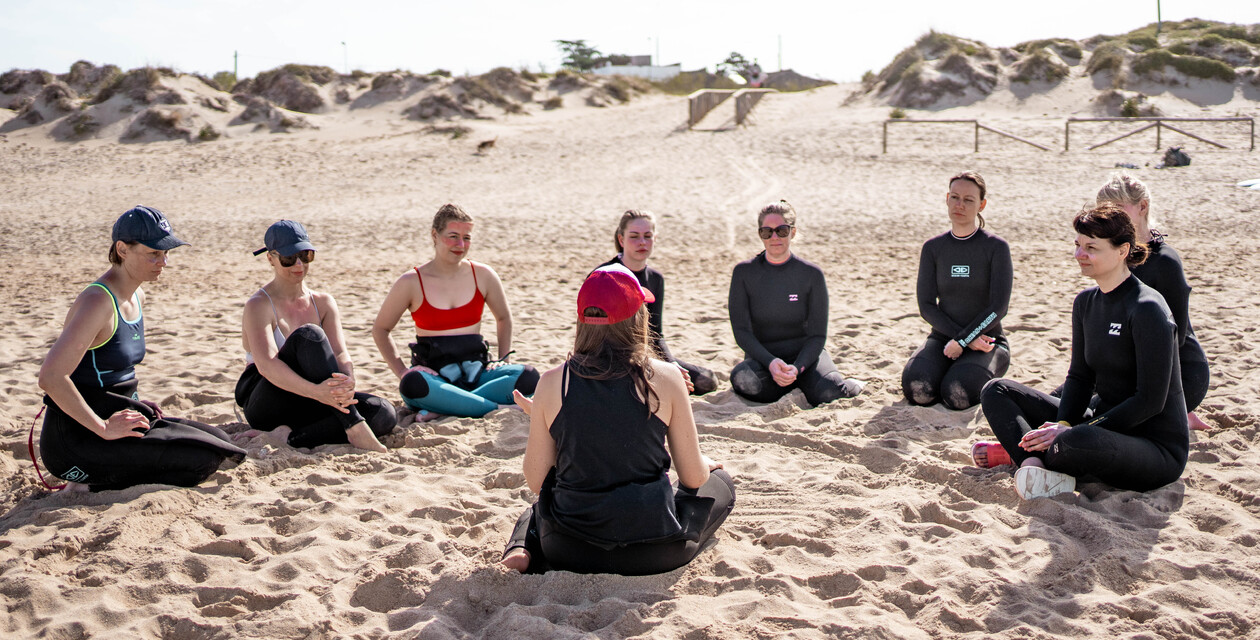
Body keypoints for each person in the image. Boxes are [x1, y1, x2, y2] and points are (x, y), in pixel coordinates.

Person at [500, 264, 735, 575]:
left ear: (582, 319)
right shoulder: (664, 376)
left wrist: (547, 422)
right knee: (720, 482)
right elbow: (693, 478)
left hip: (571, 551)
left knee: (539, 506)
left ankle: (520, 549)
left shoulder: (553, 382)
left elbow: (535, 479)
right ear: (638, 316)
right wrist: (703, 462)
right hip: (653, 550)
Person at [978, 204, 1188, 499]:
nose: (1080, 254)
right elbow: (1079, 377)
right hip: (1100, 424)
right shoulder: (1085, 303)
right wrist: (1063, 423)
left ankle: (1027, 454)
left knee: (1079, 439)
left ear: (1122, 251)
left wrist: (1074, 430)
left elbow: (1151, 401)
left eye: (1091, 247)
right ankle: (1033, 464)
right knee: (996, 390)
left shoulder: (1147, 309)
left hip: (1154, 446)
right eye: (1078, 245)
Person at [36, 205, 244, 492]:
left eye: (166, 253)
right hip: (76, 440)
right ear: (122, 249)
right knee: (200, 461)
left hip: (121, 418)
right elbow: (50, 377)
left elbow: (113, 373)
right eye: (153, 254)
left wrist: (135, 404)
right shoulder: (98, 302)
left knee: (219, 440)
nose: (163, 262)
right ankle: (88, 484)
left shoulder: (137, 294)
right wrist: (104, 428)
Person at [235, 220, 395, 452]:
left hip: (316, 399)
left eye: (305, 255)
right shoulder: (258, 305)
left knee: (383, 412)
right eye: (289, 259)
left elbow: (340, 353)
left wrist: (347, 382)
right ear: (270, 258)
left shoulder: (324, 302)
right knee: (309, 335)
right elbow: (267, 366)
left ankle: (292, 439)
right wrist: (318, 393)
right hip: (268, 400)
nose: (299, 265)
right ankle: (353, 425)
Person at [372, 204, 538, 419]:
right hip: (435, 379)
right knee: (412, 385)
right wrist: (403, 371)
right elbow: (380, 329)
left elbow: (504, 317)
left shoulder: (484, 275)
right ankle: (497, 408)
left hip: (478, 373)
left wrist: (502, 359)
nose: (461, 245)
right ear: (435, 234)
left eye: (467, 238)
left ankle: (446, 406)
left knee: (529, 376)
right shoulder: (411, 282)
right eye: (453, 236)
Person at [1097, 172, 1210, 431]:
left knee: (1094, 416)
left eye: (1116, 208)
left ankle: (1181, 413)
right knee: (1058, 400)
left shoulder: (1165, 262)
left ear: (1142, 207)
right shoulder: (1114, 257)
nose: (1108, 216)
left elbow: (1177, 336)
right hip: (1125, 369)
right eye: (1103, 210)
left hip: (1179, 374)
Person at [727, 201, 863, 406]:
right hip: (764, 359)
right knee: (743, 381)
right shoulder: (744, 273)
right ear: (760, 234)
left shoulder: (811, 274)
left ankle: (851, 384)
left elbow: (818, 336)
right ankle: (794, 384)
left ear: (792, 232)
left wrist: (798, 367)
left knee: (828, 392)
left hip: (806, 357)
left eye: (781, 231)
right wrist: (771, 363)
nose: (774, 237)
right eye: (767, 232)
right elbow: (741, 332)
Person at [902, 171, 1012, 411]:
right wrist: (962, 339)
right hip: (944, 337)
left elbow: (999, 308)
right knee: (918, 390)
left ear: (981, 204)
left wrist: (967, 339)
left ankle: (971, 370)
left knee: (957, 395)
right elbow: (927, 306)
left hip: (988, 341)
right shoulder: (933, 248)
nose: (960, 204)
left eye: (969, 200)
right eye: (955, 197)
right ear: (947, 199)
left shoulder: (996, 247)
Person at [597, 210, 717, 395]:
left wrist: (673, 365)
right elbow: (593, 331)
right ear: (621, 240)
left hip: (644, 356)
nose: (642, 242)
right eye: (634, 236)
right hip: (609, 357)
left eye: (648, 236)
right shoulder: (604, 275)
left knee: (705, 380)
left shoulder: (656, 279)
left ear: (655, 238)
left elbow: (655, 334)